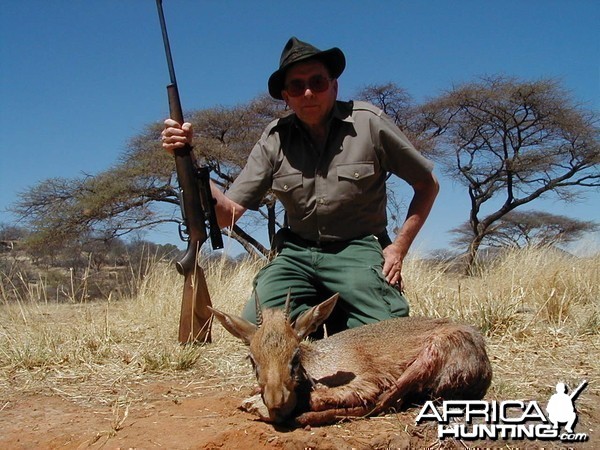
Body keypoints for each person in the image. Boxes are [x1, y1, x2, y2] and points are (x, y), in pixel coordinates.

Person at [162, 37, 439, 334]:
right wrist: (188, 156)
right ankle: (330, 319)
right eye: (296, 86)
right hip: (297, 252)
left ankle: (331, 318)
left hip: (357, 248)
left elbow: (427, 185)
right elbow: (226, 214)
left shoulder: (369, 123)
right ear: (286, 96)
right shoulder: (274, 138)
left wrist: (397, 249)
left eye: (317, 82)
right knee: (256, 327)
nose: (307, 92)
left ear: (334, 86)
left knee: (389, 332)